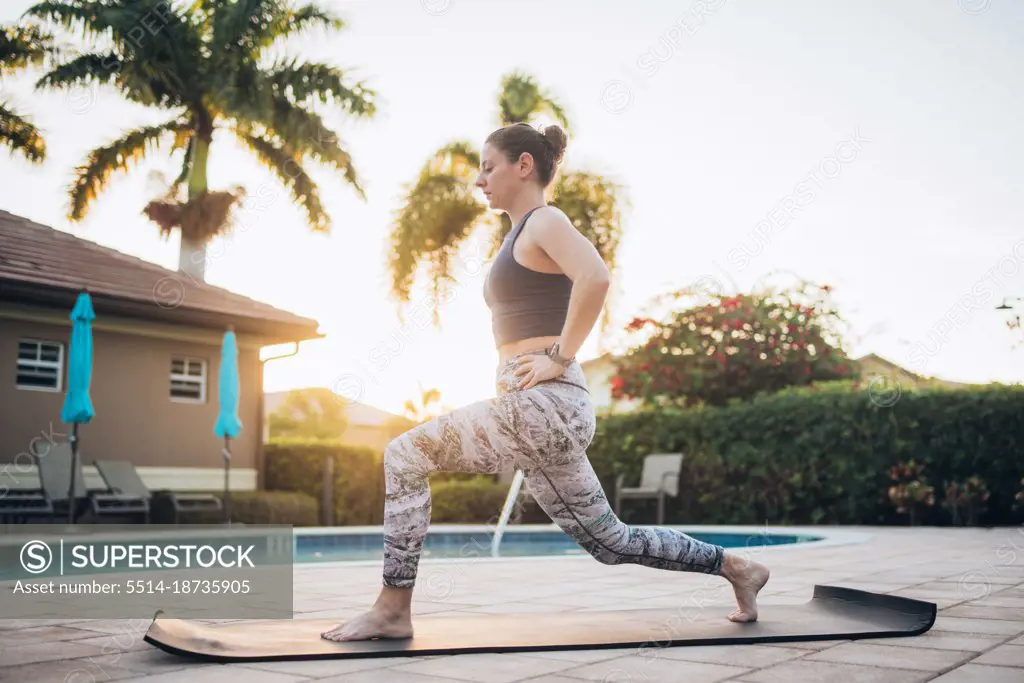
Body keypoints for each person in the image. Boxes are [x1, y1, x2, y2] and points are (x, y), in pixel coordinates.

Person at [321, 122, 770, 642]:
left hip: (548, 404)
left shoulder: (544, 220)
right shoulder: (519, 232)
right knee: (610, 542)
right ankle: (738, 568)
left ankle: (393, 609)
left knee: (404, 455)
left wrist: (560, 356)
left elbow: (596, 277)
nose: (479, 180)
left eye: (488, 167)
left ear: (524, 165)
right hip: (537, 409)